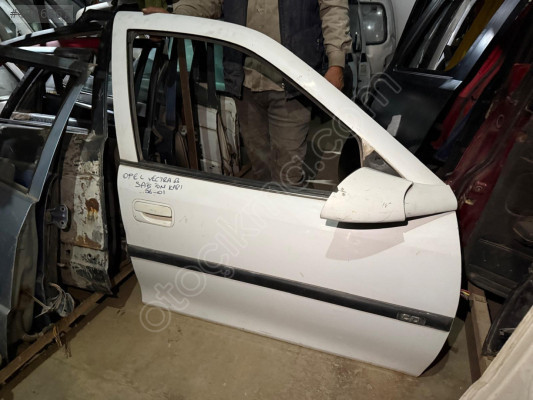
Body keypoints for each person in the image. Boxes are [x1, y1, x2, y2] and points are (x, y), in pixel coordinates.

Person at [144, 1, 351, 186]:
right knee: (260, 169)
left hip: (292, 82)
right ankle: (265, 211)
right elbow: (210, 1)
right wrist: (173, 16)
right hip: (245, 82)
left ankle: (286, 213)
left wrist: (336, 62)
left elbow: (333, 8)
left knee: (288, 174)